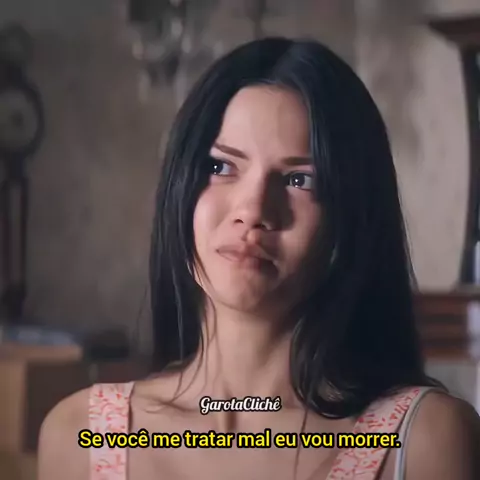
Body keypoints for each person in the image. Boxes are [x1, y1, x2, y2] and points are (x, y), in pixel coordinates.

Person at [38, 37, 480, 480]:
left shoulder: (423, 439)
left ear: (351, 218)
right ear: (180, 187)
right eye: (221, 167)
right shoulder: (82, 435)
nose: (253, 210)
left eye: (299, 180)